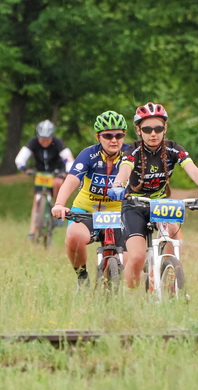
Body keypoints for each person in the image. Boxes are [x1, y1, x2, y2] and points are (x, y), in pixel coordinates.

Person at [107, 102, 198, 289]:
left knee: (174, 231)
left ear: (165, 128)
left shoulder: (173, 149)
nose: (153, 134)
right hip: (134, 205)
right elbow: (124, 170)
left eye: (158, 128)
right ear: (139, 130)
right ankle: (131, 297)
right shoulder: (132, 151)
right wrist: (118, 185)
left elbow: (192, 169)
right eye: (147, 129)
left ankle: (166, 274)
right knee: (136, 257)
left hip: (160, 203)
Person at [51, 111, 130, 289]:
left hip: (118, 212)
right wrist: (59, 204)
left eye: (119, 135)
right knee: (73, 237)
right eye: (108, 136)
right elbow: (71, 180)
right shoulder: (89, 155)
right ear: (98, 137)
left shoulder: (130, 154)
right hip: (87, 211)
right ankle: (82, 278)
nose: (114, 140)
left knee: (132, 257)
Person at [15, 119, 74, 240]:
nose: (44, 142)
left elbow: (68, 159)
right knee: (36, 201)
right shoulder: (33, 142)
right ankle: (32, 232)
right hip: (41, 174)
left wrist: (66, 172)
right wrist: (25, 169)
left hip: (56, 172)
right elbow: (20, 158)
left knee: (58, 182)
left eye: (47, 139)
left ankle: (58, 207)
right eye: (42, 139)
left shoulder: (58, 143)